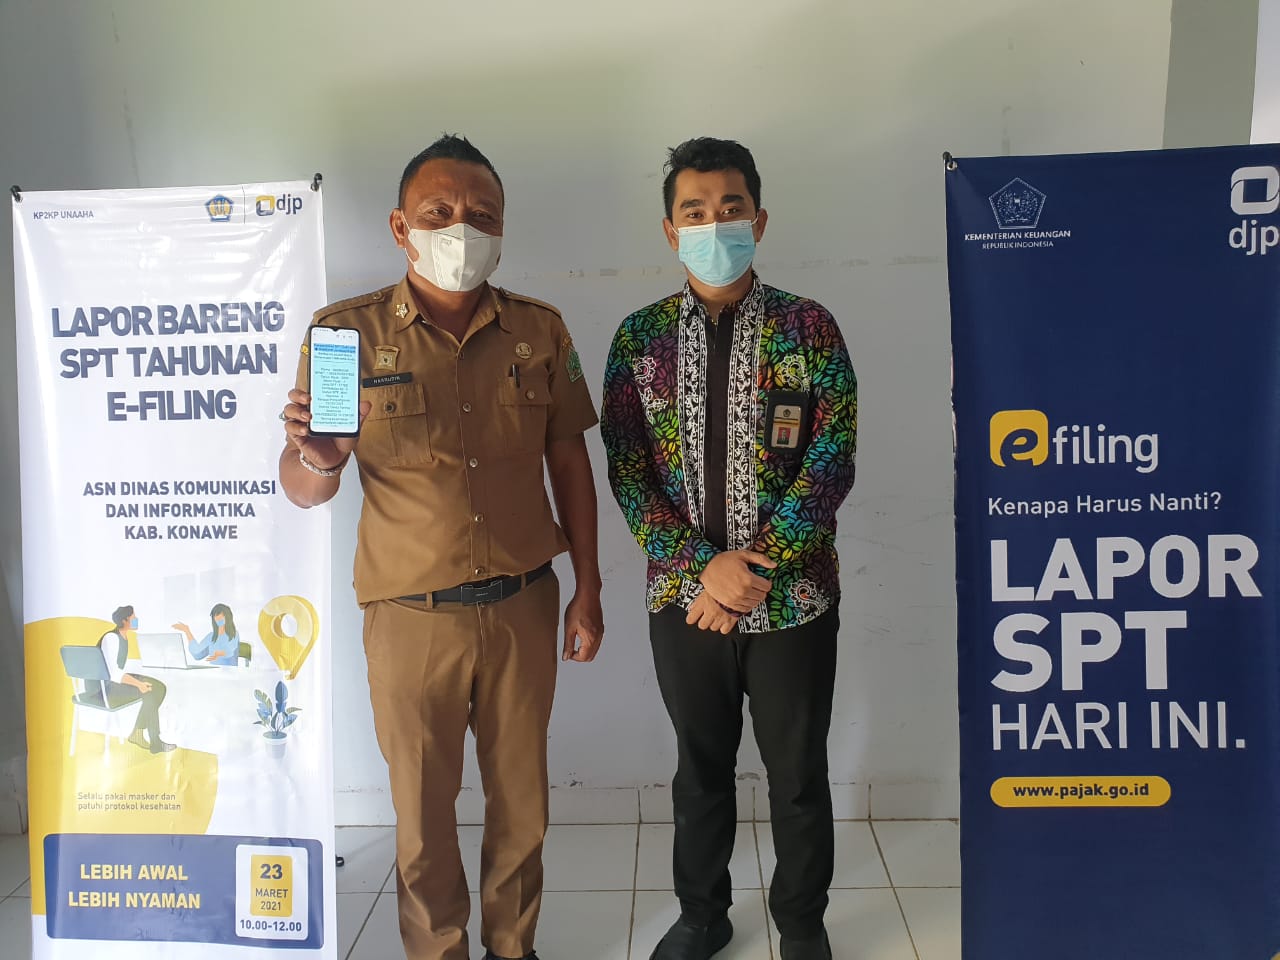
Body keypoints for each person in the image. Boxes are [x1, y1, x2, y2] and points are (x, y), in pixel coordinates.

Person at [278, 134, 603, 960]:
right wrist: (320, 456)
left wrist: (588, 588)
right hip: (409, 617)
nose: (462, 229)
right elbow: (307, 486)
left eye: (482, 215)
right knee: (422, 818)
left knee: (522, 806)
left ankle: (513, 947)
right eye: (439, 212)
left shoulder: (539, 331)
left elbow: (570, 461)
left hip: (524, 604)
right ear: (401, 227)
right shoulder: (345, 335)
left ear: (502, 229)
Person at [601, 138, 857, 960]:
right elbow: (628, 470)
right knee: (700, 769)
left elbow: (831, 460)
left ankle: (802, 925)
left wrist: (751, 570)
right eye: (696, 211)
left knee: (798, 774)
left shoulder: (808, 328)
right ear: (671, 231)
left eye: (731, 208)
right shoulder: (638, 340)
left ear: (760, 219)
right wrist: (699, 569)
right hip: (685, 605)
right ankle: (702, 916)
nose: (716, 224)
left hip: (795, 599)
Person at [98, 605, 175, 753]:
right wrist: (139, 684)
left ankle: (138, 733)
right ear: (125, 620)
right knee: (151, 691)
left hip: (114, 683)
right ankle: (154, 742)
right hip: (106, 688)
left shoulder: (123, 636)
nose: (137, 619)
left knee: (159, 687)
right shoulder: (112, 638)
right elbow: (113, 673)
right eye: (134, 617)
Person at [174, 603, 240, 666]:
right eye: (216, 616)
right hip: (214, 671)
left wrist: (220, 653)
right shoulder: (211, 636)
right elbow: (197, 653)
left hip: (230, 670)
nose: (218, 618)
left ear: (228, 617)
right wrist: (187, 630)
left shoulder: (234, 634)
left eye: (222, 616)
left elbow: (230, 651)